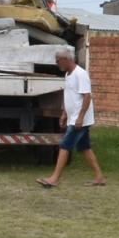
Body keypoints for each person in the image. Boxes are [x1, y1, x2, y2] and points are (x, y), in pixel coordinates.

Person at [36, 47, 105, 188]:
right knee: (84, 147)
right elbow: (68, 95)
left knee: (64, 145)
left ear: (66, 59)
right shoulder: (68, 74)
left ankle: (54, 179)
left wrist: (80, 118)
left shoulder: (81, 74)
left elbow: (87, 97)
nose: (57, 64)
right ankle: (99, 177)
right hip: (73, 117)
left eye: (58, 61)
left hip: (79, 120)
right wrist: (64, 113)